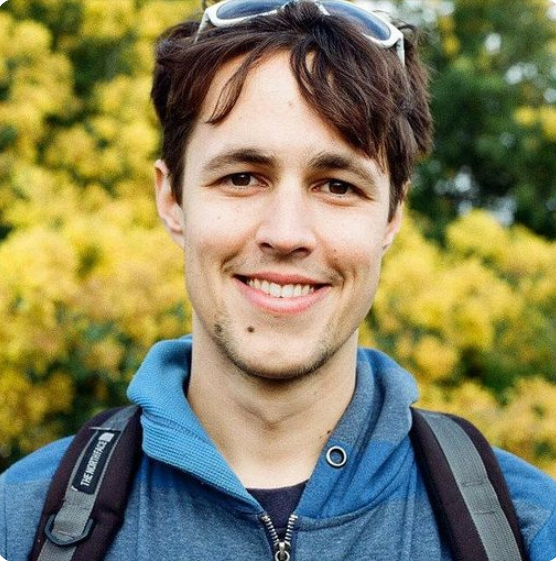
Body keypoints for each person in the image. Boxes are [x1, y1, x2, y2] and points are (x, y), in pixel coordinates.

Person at [1, 1, 555, 560]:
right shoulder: (19, 521)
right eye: (243, 177)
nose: (286, 233)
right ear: (172, 199)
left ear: (391, 216)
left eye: (337, 185)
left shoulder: (529, 527)